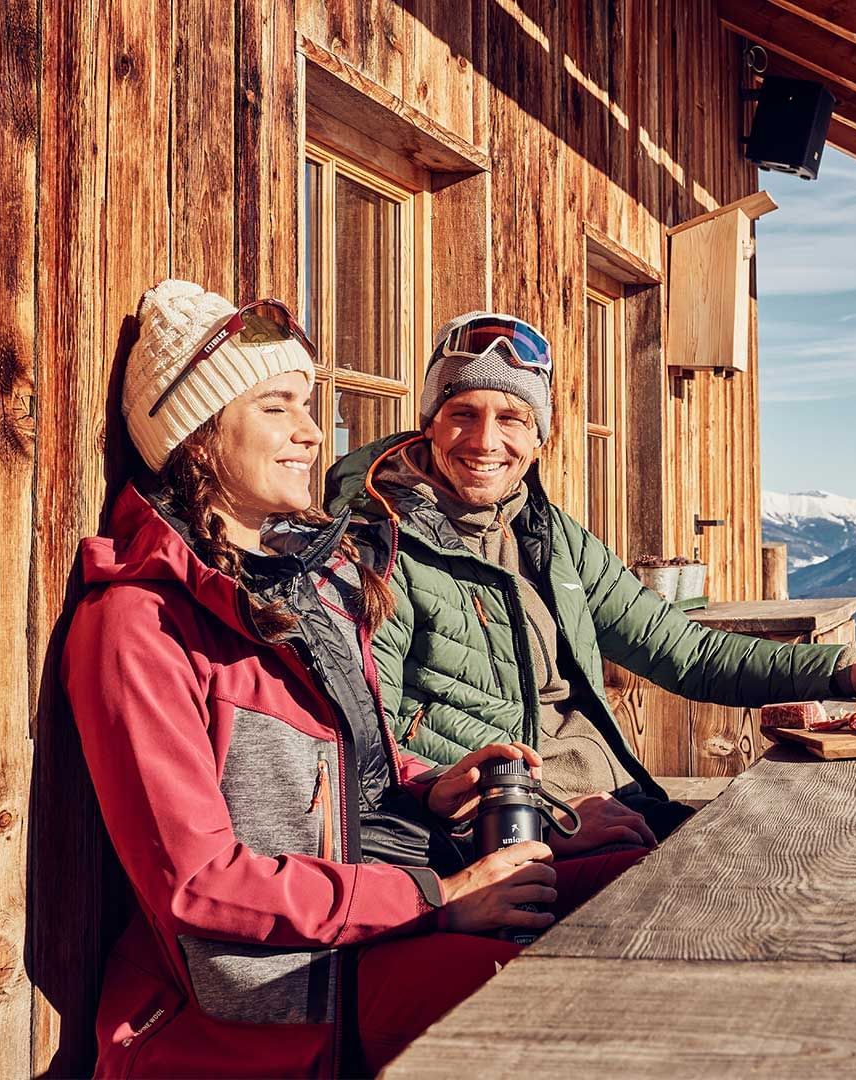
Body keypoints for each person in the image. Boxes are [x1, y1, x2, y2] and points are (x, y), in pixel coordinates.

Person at [65, 282, 644, 1077]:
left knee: (647, 885)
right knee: (546, 1007)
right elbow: (197, 883)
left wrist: (432, 786)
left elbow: (346, 764)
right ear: (196, 435)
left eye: (309, 405)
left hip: (380, 902)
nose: (312, 433)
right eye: (277, 406)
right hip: (279, 993)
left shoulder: (299, 585)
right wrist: (436, 901)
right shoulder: (140, 623)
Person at [325, 311, 856, 852]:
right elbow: (372, 731)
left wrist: (848, 670)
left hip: (612, 796)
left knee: (827, 844)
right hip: (508, 830)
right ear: (431, 423)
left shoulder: (547, 535)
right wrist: (542, 814)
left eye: (513, 418)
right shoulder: (377, 542)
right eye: (463, 413)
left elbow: (686, 653)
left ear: (540, 437)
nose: (486, 440)